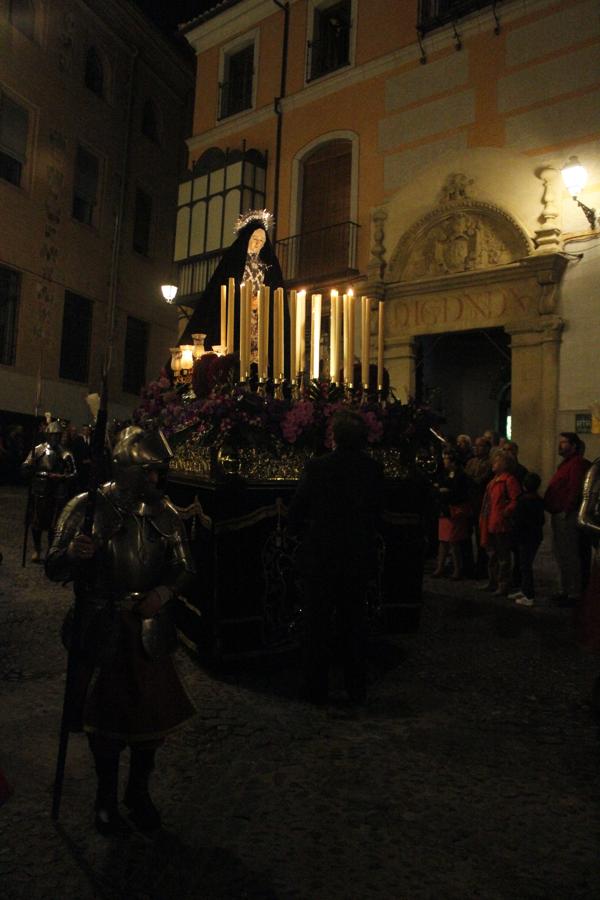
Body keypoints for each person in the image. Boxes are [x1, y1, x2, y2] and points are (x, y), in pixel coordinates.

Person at [45, 426, 196, 835]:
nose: (154, 480)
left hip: (147, 625)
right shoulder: (87, 506)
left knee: (150, 723)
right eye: (147, 471)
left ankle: (138, 793)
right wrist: (74, 553)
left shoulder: (164, 511)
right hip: (100, 622)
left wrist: (163, 593)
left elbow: (184, 566)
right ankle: (106, 799)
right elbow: (53, 564)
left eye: (156, 472)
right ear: (128, 467)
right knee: (104, 723)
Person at [288, 411, 384, 705]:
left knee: (316, 623)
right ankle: (356, 687)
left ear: (334, 438)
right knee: (353, 622)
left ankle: (314, 687)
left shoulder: (317, 467)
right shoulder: (373, 469)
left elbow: (297, 510)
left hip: (322, 556)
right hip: (356, 556)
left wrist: (301, 531)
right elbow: (377, 513)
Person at [178, 209, 285, 363]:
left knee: (259, 351)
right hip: (236, 313)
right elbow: (222, 290)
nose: (257, 243)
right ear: (247, 238)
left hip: (259, 316)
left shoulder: (268, 265)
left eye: (261, 241)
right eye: (254, 238)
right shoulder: (233, 261)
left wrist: (261, 301)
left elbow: (275, 289)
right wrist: (242, 299)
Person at [544, 432, 591, 607]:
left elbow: (574, 488)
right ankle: (565, 589)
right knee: (561, 553)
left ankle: (573, 592)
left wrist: (567, 509)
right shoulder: (566, 464)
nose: (560, 445)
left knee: (569, 554)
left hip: (566, 515)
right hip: (559, 513)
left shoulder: (576, 464)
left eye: (564, 442)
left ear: (574, 446)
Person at [21, 419, 76, 562]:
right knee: (36, 522)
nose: (55, 438)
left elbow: (74, 473)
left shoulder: (65, 453)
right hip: (39, 490)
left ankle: (51, 550)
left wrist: (61, 476)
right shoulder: (38, 449)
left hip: (57, 491)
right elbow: (25, 466)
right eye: (52, 435)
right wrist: (29, 467)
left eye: (57, 435)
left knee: (53, 525)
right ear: (47, 435)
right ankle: (37, 549)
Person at [478, 449, 521, 596]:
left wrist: (505, 512)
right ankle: (493, 581)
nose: (493, 463)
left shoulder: (508, 480)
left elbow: (516, 500)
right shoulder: (494, 481)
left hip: (501, 523)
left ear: (504, 464)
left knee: (503, 556)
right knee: (493, 555)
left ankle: (503, 584)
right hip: (491, 522)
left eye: (496, 461)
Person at [431, 448, 470, 580]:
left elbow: (456, 492)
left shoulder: (461, 475)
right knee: (443, 540)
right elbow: (438, 487)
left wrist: (444, 491)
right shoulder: (444, 474)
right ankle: (440, 567)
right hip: (445, 510)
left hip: (454, 510)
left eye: (446, 459)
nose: (444, 461)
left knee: (454, 541)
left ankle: (457, 569)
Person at [508, 472, 545, 607]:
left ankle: (528, 595)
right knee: (525, 564)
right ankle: (524, 590)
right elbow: (541, 520)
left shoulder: (523, 501)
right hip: (534, 536)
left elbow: (518, 521)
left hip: (525, 537)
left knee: (525, 566)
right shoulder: (538, 501)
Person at [465, 436, 493, 578]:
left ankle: (482, 567)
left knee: (481, 535)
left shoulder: (490, 463)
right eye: (476, 446)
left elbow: (480, 481)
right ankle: (468, 564)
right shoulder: (471, 462)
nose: (477, 448)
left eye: (481, 446)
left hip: (481, 502)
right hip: (470, 502)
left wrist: (471, 480)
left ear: (487, 448)